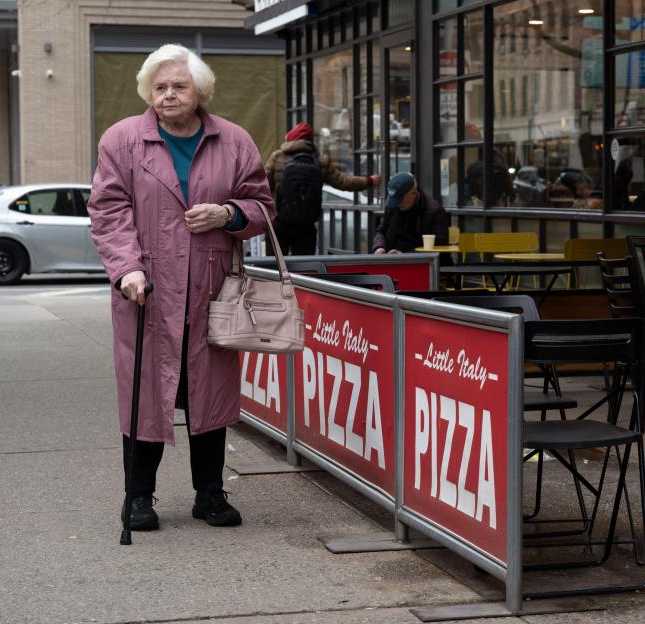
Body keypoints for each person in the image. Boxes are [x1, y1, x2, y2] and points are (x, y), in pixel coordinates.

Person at [88, 44, 276, 531]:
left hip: (212, 290)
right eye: (160, 87)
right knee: (146, 392)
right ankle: (138, 497)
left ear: (201, 92)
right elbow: (108, 210)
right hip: (146, 291)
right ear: (148, 92)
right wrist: (126, 267)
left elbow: (262, 207)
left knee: (208, 396)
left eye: (179, 86)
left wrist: (228, 213)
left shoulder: (234, 141)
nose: (169, 95)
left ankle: (210, 495)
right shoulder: (121, 140)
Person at [264, 122, 380, 255]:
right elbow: (343, 182)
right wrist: (369, 180)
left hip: (278, 222)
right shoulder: (320, 161)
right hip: (306, 225)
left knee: (273, 269)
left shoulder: (277, 157)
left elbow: (262, 185)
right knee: (304, 270)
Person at [372, 172, 448, 254]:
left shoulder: (434, 211)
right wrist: (379, 247)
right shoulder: (393, 206)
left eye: (400, 199)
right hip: (392, 257)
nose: (397, 204)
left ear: (414, 193)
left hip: (421, 262)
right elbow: (382, 231)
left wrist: (407, 256)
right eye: (394, 200)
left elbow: (439, 245)